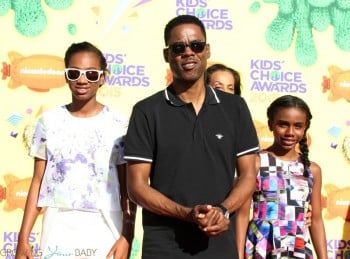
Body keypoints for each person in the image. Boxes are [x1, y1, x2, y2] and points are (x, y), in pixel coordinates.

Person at [123, 14, 260, 259]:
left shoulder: (235, 108)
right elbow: (136, 186)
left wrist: (222, 211)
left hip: (219, 245)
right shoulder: (146, 111)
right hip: (164, 247)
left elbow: (249, 174)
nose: (188, 53)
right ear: (167, 55)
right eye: (179, 48)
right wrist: (186, 213)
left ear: (207, 51)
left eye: (196, 45)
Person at [15, 41, 136, 259]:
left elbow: (128, 190)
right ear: (66, 76)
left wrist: (127, 236)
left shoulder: (120, 124)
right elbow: (37, 182)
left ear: (102, 77)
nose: (82, 80)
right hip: (57, 227)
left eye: (91, 74)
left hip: (106, 226)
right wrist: (23, 239)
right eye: (74, 73)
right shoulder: (48, 122)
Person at [236, 95, 327, 258]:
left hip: (297, 248)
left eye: (298, 126)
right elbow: (242, 215)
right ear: (271, 124)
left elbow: (317, 220)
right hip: (262, 246)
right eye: (283, 124)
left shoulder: (312, 169)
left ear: (305, 128)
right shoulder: (256, 163)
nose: (290, 132)